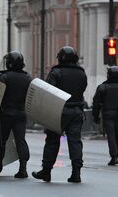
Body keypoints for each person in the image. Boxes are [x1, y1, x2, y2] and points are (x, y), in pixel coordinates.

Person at [32, 46, 88, 183]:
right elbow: (83, 89)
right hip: (77, 111)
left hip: (59, 111)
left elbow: (49, 92)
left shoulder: (56, 72)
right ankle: (76, 173)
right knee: (75, 141)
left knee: (52, 140)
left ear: (61, 58)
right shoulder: (82, 73)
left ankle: (46, 171)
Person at [0, 51, 32, 178]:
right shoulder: (28, 78)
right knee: (21, 140)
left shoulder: (4, 77)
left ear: (9, 63)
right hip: (21, 114)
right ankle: (23, 168)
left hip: (6, 114)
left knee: (0, 141)